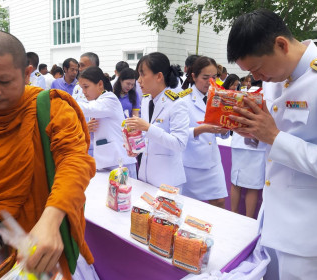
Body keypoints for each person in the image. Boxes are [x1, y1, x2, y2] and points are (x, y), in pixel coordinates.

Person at [0, 30, 96, 279]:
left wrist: (51, 219)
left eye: (3, 81)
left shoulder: (51, 108)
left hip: (35, 243)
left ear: (26, 73)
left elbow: (74, 161)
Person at [227, 9, 317, 279]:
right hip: (272, 221)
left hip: (306, 232)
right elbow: (275, 139)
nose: (257, 78)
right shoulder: (274, 79)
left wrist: (274, 137)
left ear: (281, 44)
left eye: (257, 69)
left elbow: (279, 137)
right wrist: (255, 134)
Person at [125, 52, 189, 188]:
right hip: (145, 176)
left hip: (167, 180)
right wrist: (136, 147)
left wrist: (148, 127)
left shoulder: (177, 104)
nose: (139, 80)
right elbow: (147, 138)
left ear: (159, 76)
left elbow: (179, 143)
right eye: (138, 75)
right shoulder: (146, 100)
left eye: (143, 74)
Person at [181, 56, 229, 208]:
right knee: (190, 206)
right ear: (194, 76)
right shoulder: (183, 100)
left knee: (220, 202)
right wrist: (201, 129)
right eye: (205, 77)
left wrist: (225, 129)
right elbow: (178, 133)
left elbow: (222, 132)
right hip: (191, 162)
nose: (210, 82)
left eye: (214, 77)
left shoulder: (219, 97)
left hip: (212, 161)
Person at [77, 66, 137, 177]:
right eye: (82, 88)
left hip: (120, 163)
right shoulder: (98, 101)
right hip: (107, 163)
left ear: (100, 84)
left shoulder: (110, 99)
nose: (84, 92)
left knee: (126, 194)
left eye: (86, 87)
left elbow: (87, 108)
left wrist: (64, 101)